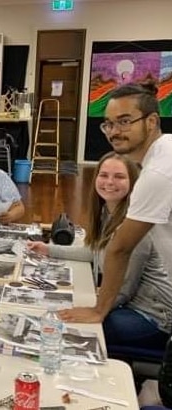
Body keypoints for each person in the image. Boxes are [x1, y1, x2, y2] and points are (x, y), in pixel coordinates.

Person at [27, 152, 172, 350]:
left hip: (153, 317)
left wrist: (88, 305)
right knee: (61, 316)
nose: (109, 182)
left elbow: (123, 291)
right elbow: (94, 252)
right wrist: (49, 249)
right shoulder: (107, 212)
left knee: (69, 327)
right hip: (125, 304)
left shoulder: (134, 228)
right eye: (104, 175)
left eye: (119, 177)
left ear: (134, 183)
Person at [60, 82, 172, 324]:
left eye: (124, 121)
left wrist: (99, 310)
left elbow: (120, 248)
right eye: (109, 124)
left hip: (157, 311)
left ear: (151, 122)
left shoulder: (158, 172)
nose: (114, 131)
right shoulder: (160, 158)